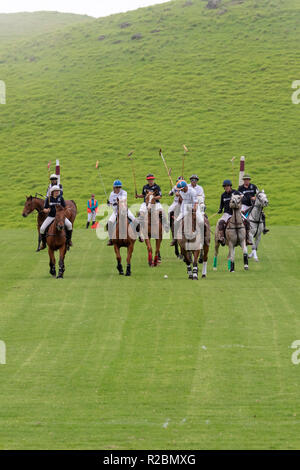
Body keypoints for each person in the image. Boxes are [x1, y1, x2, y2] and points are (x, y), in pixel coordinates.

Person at [217, 179, 251, 246]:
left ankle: (247, 239)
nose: (226, 187)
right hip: (227, 213)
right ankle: (222, 238)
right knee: (221, 222)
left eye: (228, 186)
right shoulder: (223, 195)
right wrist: (220, 209)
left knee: (247, 221)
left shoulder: (236, 192)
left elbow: (244, 198)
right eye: (225, 186)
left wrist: (241, 198)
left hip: (236, 213)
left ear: (230, 186)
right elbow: (221, 205)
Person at [107, 180, 140, 246]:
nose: (118, 188)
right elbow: (110, 204)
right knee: (109, 223)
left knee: (135, 220)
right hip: (116, 212)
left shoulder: (124, 192)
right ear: (114, 187)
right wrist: (108, 203)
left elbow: (122, 200)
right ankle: (111, 239)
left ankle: (139, 236)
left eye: (119, 187)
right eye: (117, 187)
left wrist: (115, 203)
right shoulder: (111, 194)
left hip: (125, 210)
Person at [39, 185, 72, 250]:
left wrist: (66, 209)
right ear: (52, 192)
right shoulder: (48, 199)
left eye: (58, 191)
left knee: (69, 225)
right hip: (51, 216)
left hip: (60, 218)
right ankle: (43, 243)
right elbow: (44, 209)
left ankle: (68, 241)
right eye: (56, 191)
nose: (57, 192)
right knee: (42, 229)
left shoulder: (61, 198)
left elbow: (64, 207)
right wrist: (46, 210)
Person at [171, 180, 201, 245]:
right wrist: (178, 195)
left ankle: (203, 237)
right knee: (176, 222)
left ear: (185, 187)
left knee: (201, 220)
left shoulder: (192, 191)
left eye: (181, 189)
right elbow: (181, 199)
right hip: (184, 207)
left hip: (193, 206)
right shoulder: (181, 191)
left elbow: (195, 202)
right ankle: (175, 239)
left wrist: (194, 209)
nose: (180, 190)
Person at [168, 176, 183, 245]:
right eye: (178, 181)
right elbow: (170, 193)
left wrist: (179, 194)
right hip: (175, 202)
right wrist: (171, 193)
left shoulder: (186, 187)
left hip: (183, 203)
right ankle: (169, 224)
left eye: (181, 181)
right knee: (169, 210)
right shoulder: (175, 187)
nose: (179, 183)